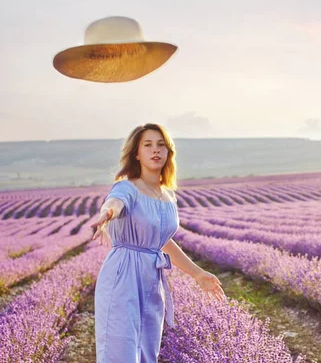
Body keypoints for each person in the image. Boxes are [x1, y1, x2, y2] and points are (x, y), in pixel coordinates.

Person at [89, 123, 226, 362]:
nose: (155, 150)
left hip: (153, 279)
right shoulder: (126, 187)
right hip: (123, 275)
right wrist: (107, 215)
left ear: (168, 152)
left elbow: (162, 242)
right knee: (119, 351)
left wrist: (198, 273)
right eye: (148, 145)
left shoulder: (167, 196)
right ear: (136, 153)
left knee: (146, 352)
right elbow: (115, 203)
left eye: (161, 145)